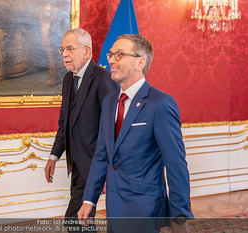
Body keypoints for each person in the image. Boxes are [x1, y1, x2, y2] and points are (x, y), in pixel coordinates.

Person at [77, 34, 194, 233]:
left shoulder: (161, 103)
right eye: (111, 54)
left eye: (119, 55)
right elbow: (101, 155)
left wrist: (180, 215)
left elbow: (175, 164)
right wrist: (89, 199)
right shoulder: (109, 101)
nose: (111, 60)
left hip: (144, 208)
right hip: (113, 206)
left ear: (140, 62)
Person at [44, 28, 118, 226]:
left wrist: (107, 170)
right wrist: (54, 156)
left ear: (86, 51)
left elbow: (113, 127)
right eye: (62, 50)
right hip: (76, 165)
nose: (65, 54)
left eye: (69, 48)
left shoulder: (103, 78)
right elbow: (64, 123)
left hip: (95, 165)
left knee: (74, 220)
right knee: (82, 221)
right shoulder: (68, 79)